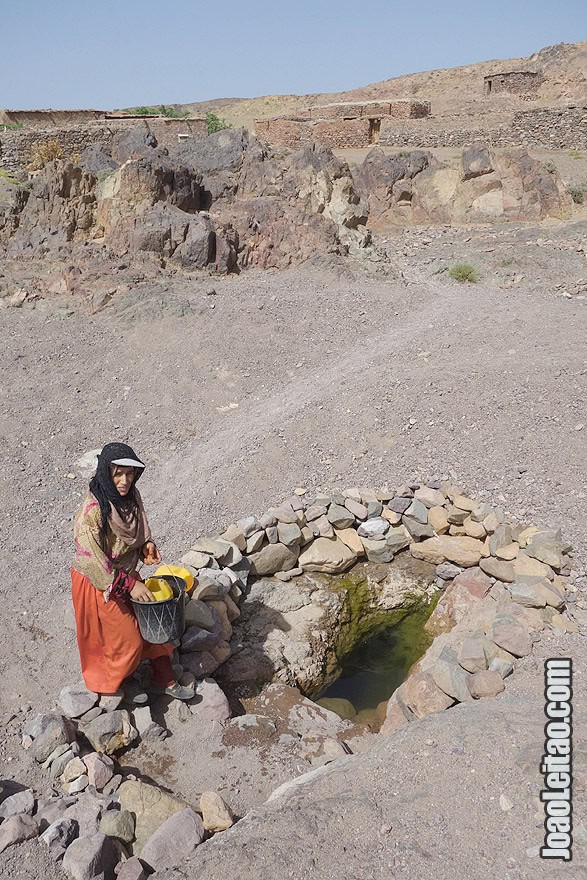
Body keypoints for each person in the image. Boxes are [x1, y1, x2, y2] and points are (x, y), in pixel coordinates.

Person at [71, 442, 194, 701]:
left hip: (126, 575)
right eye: (118, 474)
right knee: (126, 638)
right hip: (100, 582)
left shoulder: (131, 498)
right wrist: (129, 585)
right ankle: (115, 685)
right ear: (106, 473)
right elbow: (93, 561)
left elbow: (138, 533)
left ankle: (164, 678)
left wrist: (146, 546)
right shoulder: (92, 512)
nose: (125, 481)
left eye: (129, 474)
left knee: (155, 621)